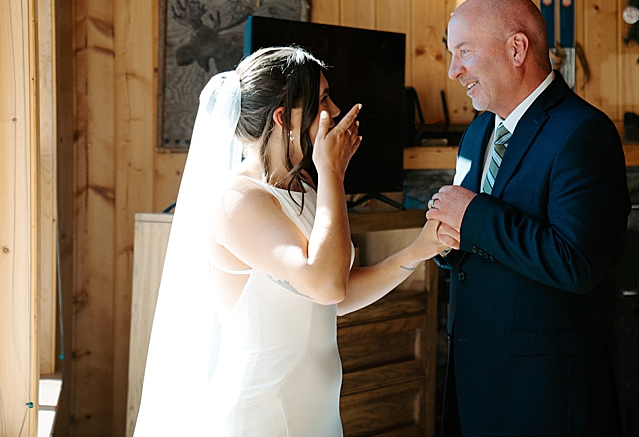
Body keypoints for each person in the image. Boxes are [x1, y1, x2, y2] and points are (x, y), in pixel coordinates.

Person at [135, 46, 447, 437]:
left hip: (314, 411)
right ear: (284, 117)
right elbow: (325, 283)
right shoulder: (237, 200)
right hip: (262, 413)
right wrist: (332, 172)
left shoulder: (303, 190)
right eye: (321, 100)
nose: (334, 110)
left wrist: (419, 249)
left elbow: (336, 296)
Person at [427, 0, 631, 437]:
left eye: (464, 52)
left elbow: (576, 263)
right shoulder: (478, 131)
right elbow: (471, 232)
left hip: (546, 394)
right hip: (476, 376)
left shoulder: (583, 132)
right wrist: (445, 238)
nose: (453, 69)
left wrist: (472, 216)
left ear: (517, 48)